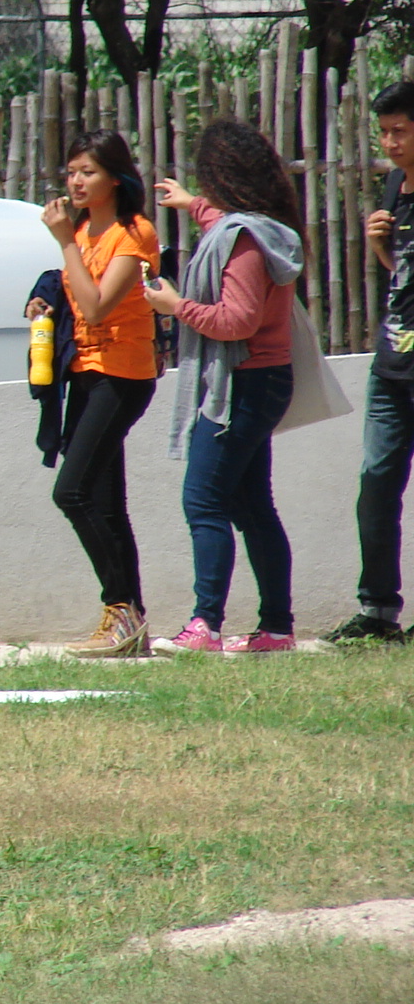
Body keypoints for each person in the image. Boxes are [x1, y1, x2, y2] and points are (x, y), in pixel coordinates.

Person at [145, 118, 305, 654]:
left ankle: (204, 626)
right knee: (253, 505)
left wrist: (175, 307)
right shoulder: (264, 229)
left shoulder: (242, 243)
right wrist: (192, 204)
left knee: (204, 501)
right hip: (261, 383)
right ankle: (277, 629)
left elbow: (235, 322)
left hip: (239, 386)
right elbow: (228, 225)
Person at [23, 130, 160, 658]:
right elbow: (71, 291)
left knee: (71, 493)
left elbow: (100, 304)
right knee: (107, 502)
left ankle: (121, 607)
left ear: (116, 179)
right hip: (84, 370)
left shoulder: (134, 232)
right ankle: (128, 625)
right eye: (72, 171)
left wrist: (63, 243)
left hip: (122, 375)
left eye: (88, 172)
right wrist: (43, 299)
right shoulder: (83, 230)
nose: (75, 182)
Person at [327, 81, 414, 646]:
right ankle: (378, 613)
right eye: (383, 133)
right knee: (376, 485)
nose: (389, 143)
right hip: (392, 363)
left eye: (399, 131)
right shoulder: (394, 186)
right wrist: (380, 246)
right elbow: (401, 275)